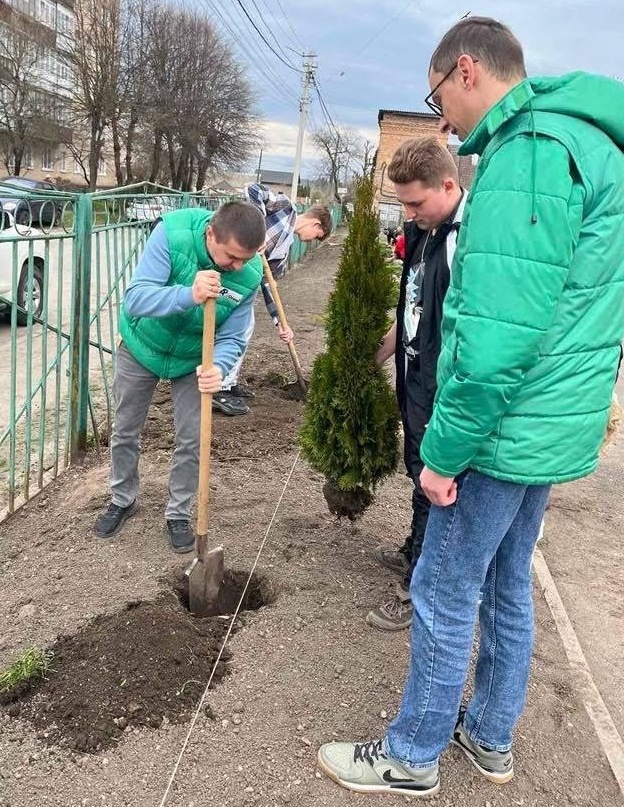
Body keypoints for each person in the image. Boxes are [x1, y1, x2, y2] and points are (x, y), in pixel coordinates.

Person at [318, 16, 624, 798]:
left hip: (502, 428)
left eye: (435, 99)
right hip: (547, 425)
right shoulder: (592, 144)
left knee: (443, 587)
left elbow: (493, 338)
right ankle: (488, 734)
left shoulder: (528, 153)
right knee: (507, 581)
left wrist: (443, 453)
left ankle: (411, 753)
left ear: (465, 69)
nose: (442, 121)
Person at [93, 202, 266, 553]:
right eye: (232, 257)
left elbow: (234, 335)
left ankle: (178, 513)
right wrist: (190, 294)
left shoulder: (249, 274)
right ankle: (123, 498)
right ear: (211, 234)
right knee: (125, 429)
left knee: (193, 438)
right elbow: (136, 299)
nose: (238, 266)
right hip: (142, 344)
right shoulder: (172, 234)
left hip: (193, 359)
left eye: (245, 259)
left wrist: (218, 366)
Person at [368, 137, 466, 632]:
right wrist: (378, 356)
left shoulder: (464, 242)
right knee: (417, 474)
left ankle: (419, 586)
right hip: (414, 379)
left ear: (447, 185)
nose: (408, 213)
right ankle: (415, 549)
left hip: (442, 389)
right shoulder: (424, 232)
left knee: (437, 482)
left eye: (415, 202)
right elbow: (412, 312)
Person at [212, 184, 332, 416]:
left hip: (242, 287)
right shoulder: (287, 208)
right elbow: (253, 190)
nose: (310, 241)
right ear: (316, 224)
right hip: (225, 274)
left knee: (245, 328)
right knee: (232, 330)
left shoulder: (284, 252)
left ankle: (229, 383)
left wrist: (280, 322)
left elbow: (268, 285)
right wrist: (257, 233)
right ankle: (219, 389)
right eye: (317, 237)